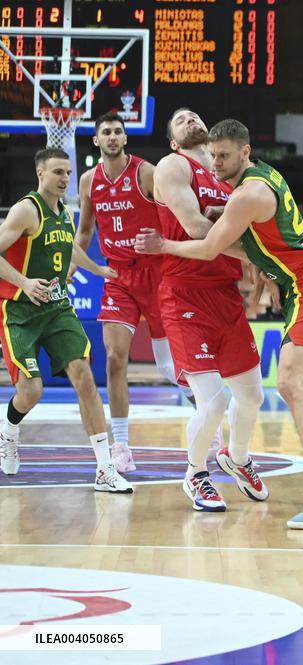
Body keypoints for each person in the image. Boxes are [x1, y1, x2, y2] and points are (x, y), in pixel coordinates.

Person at [138, 118, 303, 524]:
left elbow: (212, 246)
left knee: (287, 383)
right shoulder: (256, 181)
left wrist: (164, 244)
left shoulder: (248, 194)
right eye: (212, 156)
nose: (215, 164)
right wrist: (223, 212)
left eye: (224, 156)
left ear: (245, 152)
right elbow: (247, 233)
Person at [151, 108, 267, 512]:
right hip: (184, 293)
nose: (189, 119)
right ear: (172, 140)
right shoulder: (172, 166)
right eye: (179, 119)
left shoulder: (226, 173)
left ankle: (236, 458)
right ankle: (195, 473)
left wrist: (256, 256)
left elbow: (247, 225)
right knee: (214, 401)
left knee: (252, 396)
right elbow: (200, 230)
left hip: (225, 292)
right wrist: (263, 256)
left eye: (193, 115)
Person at [0, 149, 132, 493]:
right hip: (19, 311)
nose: (65, 178)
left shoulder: (64, 212)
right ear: (40, 173)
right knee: (31, 391)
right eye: (58, 172)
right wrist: (24, 282)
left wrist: (97, 268)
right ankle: (9, 429)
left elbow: (70, 248)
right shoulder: (26, 210)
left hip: (57, 309)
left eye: (68, 172)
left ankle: (105, 470)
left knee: (85, 376)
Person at [75, 111, 189, 474]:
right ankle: (120, 443)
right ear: (96, 140)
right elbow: (84, 233)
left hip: (156, 274)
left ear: (125, 139)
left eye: (117, 132)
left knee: (170, 367)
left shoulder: (146, 173)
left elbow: (175, 217)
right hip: (117, 277)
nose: (111, 137)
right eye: (105, 132)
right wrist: (69, 269)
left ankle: (206, 413)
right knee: (113, 359)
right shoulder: (88, 181)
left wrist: (167, 247)